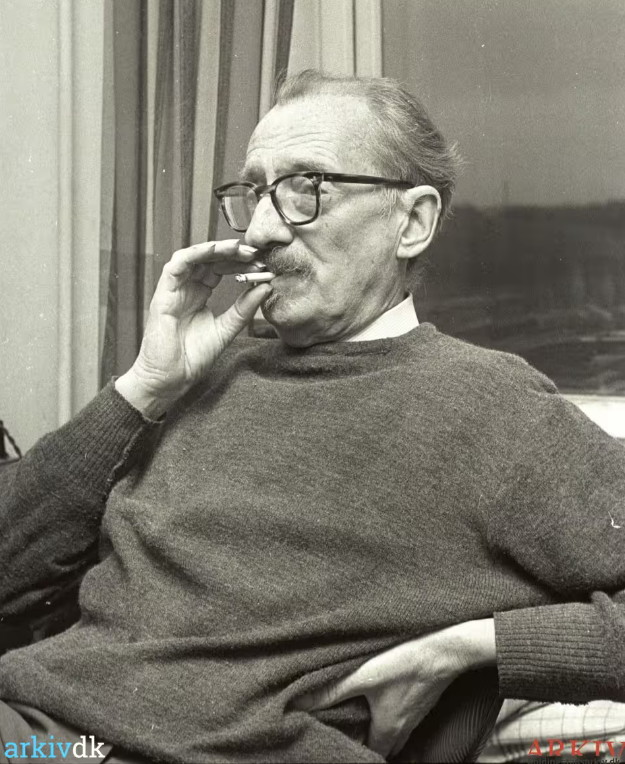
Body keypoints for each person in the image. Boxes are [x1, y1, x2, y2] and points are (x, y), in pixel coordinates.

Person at [0, 69, 623, 764]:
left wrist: (472, 647)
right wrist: (144, 387)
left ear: (411, 222)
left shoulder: (490, 406)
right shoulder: (203, 374)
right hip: (37, 735)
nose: (263, 230)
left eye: (307, 189)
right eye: (255, 193)